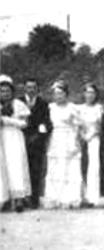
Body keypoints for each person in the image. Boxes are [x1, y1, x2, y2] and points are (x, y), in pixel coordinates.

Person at [42, 80, 83, 209]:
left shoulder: (72, 108)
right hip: (55, 138)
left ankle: (69, 198)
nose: (58, 96)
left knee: (69, 166)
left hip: (68, 137)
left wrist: (75, 142)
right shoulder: (50, 107)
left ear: (66, 94)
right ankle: (54, 197)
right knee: (55, 166)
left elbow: (77, 126)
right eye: (56, 94)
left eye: (61, 93)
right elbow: (46, 123)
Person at [0, 75, 31, 212]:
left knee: (16, 165)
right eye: (1, 91)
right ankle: (4, 198)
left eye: (7, 91)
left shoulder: (18, 104)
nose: (5, 94)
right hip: (1, 138)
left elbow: (25, 124)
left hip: (14, 136)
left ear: (12, 92)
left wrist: (7, 121)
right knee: (2, 168)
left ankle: (19, 198)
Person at [23, 77, 53, 209]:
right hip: (20, 140)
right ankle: (22, 198)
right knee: (21, 170)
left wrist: (39, 135)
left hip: (37, 142)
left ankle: (34, 199)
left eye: (33, 87)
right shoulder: (18, 101)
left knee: (36, 171)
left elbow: (47, 123)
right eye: (28, 87)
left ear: (37, 89)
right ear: (24, 88)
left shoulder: (43, 103)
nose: (31, 90)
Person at [78, 83, 103, 207]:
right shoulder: (79, 108)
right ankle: (82, 196)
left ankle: (92, 197)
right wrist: (82, 136)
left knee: (93, 166)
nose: (90, 95)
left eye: (92, 92)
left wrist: (90, 136)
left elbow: (100, 126)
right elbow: (77, 124)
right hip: (81, 138)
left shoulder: (99, 108)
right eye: (87, 92)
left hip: (94, 139)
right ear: (84, 94)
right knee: (80, 166)